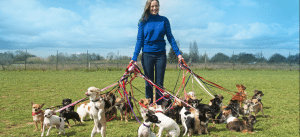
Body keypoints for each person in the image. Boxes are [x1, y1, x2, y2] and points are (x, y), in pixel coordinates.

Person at [130, 0, 183, 106]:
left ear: (159, 7)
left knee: (159, 84)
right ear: (148, 7)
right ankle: (150, 108)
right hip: (147, 55)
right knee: (148, 84)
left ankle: (158, 108)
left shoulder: (164, 20)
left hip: (161, 55)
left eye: (156, 6)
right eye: (152, 6)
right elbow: (139, 40)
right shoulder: (143, 22)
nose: (154, 8)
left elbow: (170, 38)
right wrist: (134, 57)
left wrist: (178, 54)